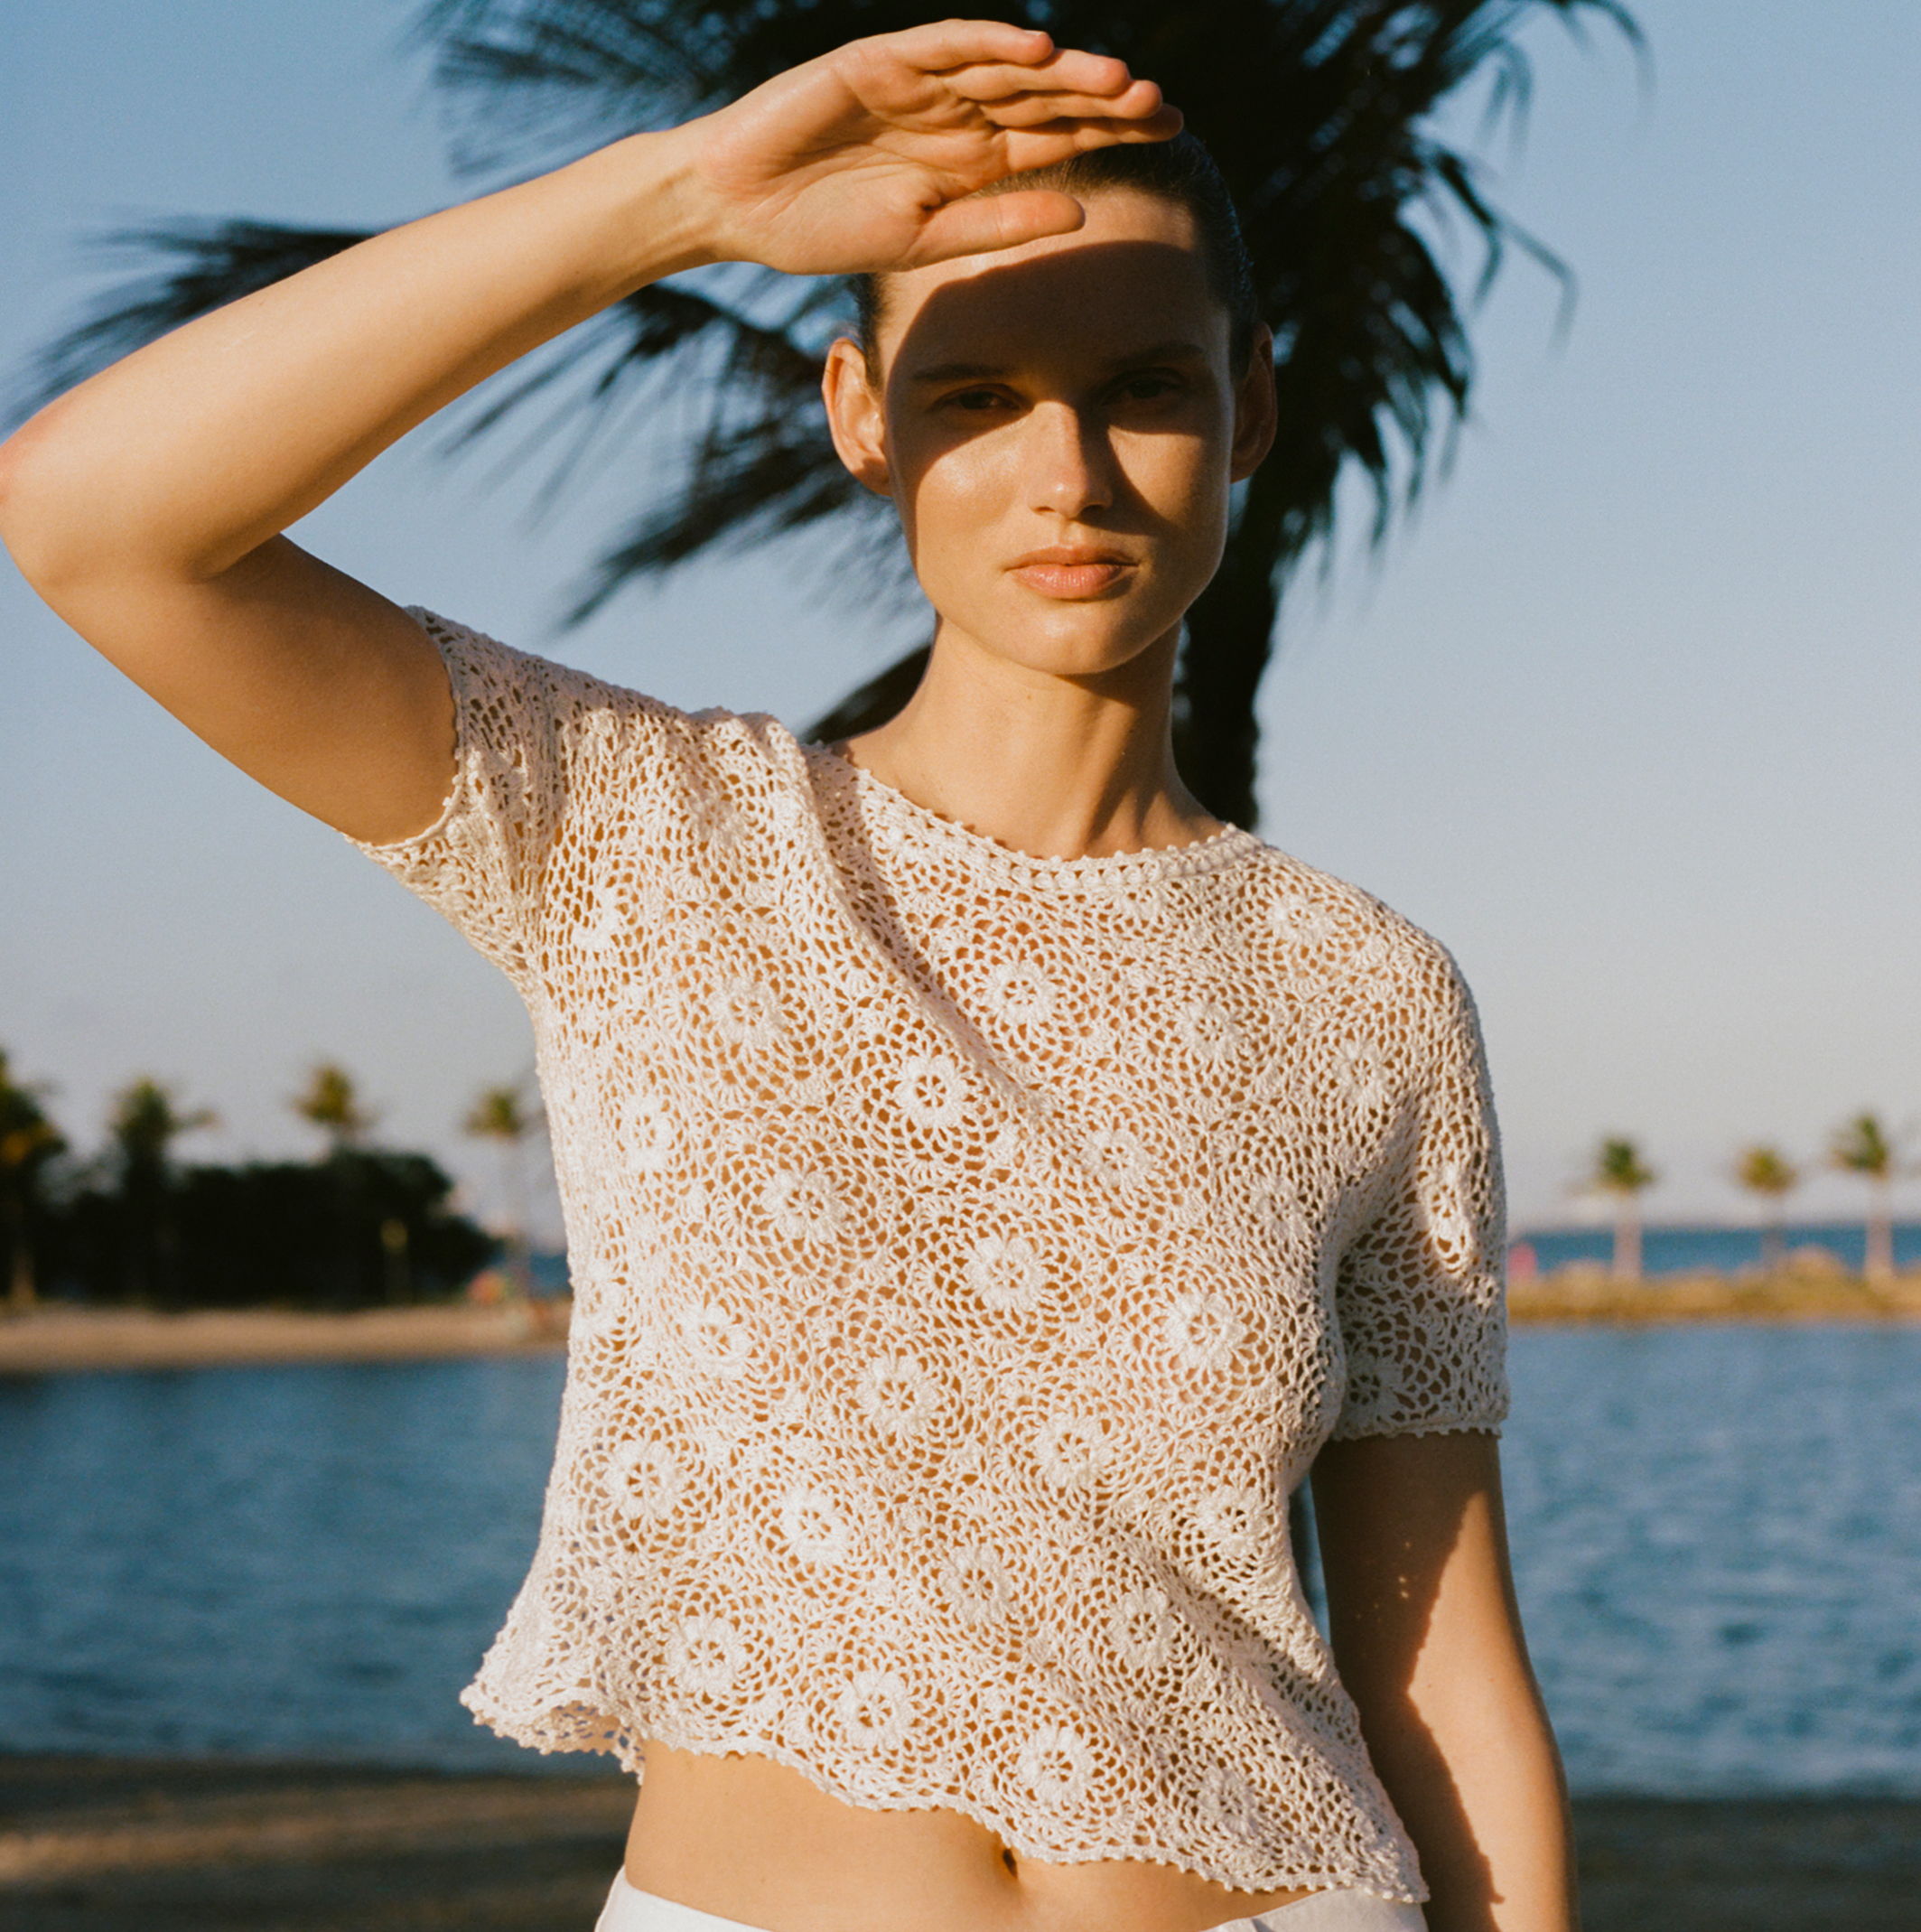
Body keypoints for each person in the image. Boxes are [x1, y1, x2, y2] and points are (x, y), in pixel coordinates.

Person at [0, 20, 1578, 1932]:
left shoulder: (1368, 987)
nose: (1063, 471)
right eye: (975, 392)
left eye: (1143, 384)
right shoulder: (642, 835)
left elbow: (1440, 1666)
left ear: (1248, 402)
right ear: (859, 412)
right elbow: (99, 516)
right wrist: (678, 199)